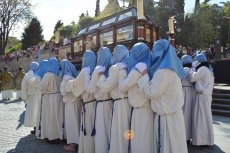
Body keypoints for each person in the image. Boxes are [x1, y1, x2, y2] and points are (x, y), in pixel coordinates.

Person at [135, 39, 188, 153]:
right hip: (173, 116)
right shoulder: (172, 68)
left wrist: (144, 74)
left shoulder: (163, 71)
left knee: (167, 147)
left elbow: (151, 92)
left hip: (167, 119)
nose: (153, 53)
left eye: (155, 50)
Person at [118, 42, 154, 153]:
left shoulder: (137, 68)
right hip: (148, 110)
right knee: (147, 141)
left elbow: (123, 87)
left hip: (140, 112)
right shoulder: (150, 66)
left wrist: (121, 71)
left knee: (140, 142)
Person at [96, 45, 131, 153]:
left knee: (119, 132)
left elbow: (107, 86)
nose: (113, 55)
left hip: (120, 104)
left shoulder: (116, 67)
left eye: (115, 53)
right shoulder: (128, 64)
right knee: (127, 130)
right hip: (127, 103)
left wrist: (101, 75)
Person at [66, 50, 97, 153]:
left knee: (88, 129)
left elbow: (75, 87)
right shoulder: (96, 70)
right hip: (96, 104)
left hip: (88, 104)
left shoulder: (85, 71)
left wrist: (69, 83)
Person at [84, 46, 113, 153]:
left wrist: (86, 77)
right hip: (112, 104)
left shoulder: (97, 69)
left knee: (101, 132)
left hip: (101, 105)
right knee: (110, 130)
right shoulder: (112, 68)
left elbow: (90, 89)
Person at [189, 53, 214, 146]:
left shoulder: (202, 69)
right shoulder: (208, 69)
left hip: (202, 96)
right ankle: (206, 140)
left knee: (200, 118)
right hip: (205, 96)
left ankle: (200, 141)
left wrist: (192, 68)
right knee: (204, 118)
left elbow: (192, 78)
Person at [59, 59, 82, 151]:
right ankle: (78, 143)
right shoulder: (75, 75)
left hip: (70, 104)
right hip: (77, 103)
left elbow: (63, 92)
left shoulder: (66, 77)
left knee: (72, 124)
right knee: (78, 123)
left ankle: (72, 145)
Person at [40, 57, 64, 144]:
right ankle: (58, 135)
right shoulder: (60, 73)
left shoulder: (48, 75)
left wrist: (46, 92)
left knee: (51, 118)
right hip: (59, 97)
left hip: (51, 98)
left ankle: (52, 137)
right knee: (58, 117)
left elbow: (42, 87)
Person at [21, 62, 41, 135]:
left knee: (33, 113)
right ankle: (40, 127)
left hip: (32, 97)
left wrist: (24, 98)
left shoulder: (27, 75)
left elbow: (23, 86)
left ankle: (36, 128)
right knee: (39, 112)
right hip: (40, 96)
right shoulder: (40, 74)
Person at [181, 55, 194, 142]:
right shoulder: (191, 70)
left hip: (184, 90)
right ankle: (188, 135)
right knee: (188, 113)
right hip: (189, 91)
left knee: (184, 113)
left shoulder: (184, 69)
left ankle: (183, 135)